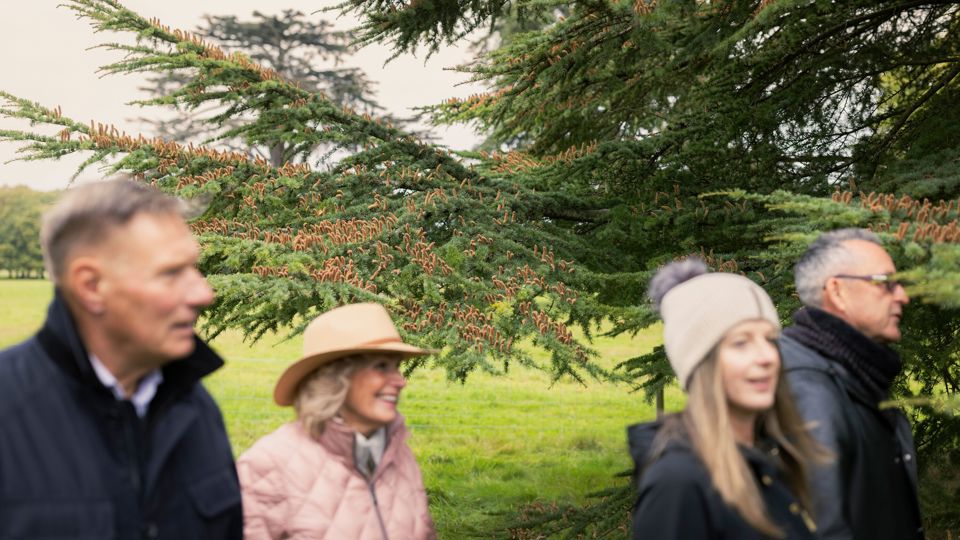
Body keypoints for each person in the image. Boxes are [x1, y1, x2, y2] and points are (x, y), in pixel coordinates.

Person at [0, 179, 242, 539]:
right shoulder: (8, 410)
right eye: (171, 273)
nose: (203, 294)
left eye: (195, 269)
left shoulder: (194, 407)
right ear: (91, 286)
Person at [628, 258, 825, 539]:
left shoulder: (769, 460)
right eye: (741, 343)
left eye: (770, 339)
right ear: (700, 363)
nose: (766, 357)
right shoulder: (678, 484)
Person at [238, 302, 437, 540]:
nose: (400, 381)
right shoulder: (269, 465)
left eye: (397, 366)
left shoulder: (399, 455)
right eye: (381, 366)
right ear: (336, 376)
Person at [781, 228, 924, 539]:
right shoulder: (808, 387)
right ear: (838, 292)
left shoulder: (860, 373)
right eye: (885, 283)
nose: (903, 296)